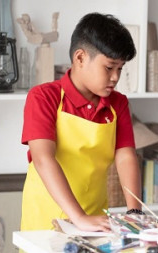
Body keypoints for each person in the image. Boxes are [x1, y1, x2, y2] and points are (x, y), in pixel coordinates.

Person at [21, 13, 143, 232]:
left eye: (120, 68)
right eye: (109, 67)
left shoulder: (118, 103)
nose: (116, 77)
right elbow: (43, 159)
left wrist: (135, 213)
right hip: (45, 222)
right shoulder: (43, 97)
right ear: (80, 58)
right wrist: (78, 217)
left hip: (96, 219)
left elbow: (125, 156)